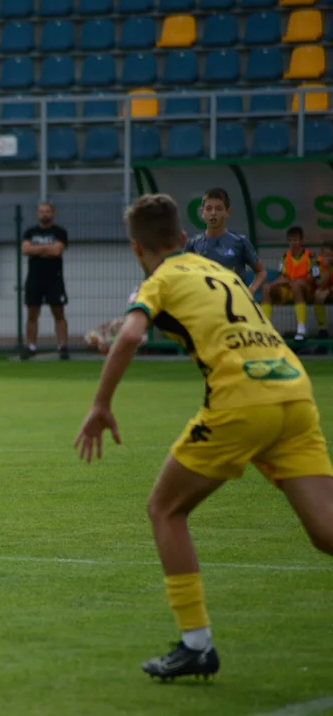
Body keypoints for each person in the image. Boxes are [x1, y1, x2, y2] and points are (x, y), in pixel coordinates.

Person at [74, 193, 333, 681]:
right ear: (181, 235)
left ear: (136, 247)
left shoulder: (160, 278)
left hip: (242, 399)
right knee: (326, 531)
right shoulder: (224, 271)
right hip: (294, 391)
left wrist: (100, 405)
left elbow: (130, 336)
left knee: (165, 509)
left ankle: (196, 644)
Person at [184, 187, 267, 295]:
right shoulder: (193, 244)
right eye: (209, 208)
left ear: (227, 212)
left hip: (233, 304)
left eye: (218, 209)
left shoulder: (240, 241)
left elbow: (261, 272)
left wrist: (250, 290)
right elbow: (183, 273)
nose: (213, 213)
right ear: (202, 212)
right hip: (204, 304)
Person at [20, 202, 69, 360]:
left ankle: (62, 346)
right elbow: (25, 249)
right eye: (41, 211)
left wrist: (37, 250)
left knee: (58, 313)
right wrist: (47, 248)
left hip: (54, 279)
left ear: (53, 213)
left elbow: (57, 251)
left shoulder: (59, 232)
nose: (44, 214)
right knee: (32, 314)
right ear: (37, 214)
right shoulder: (30, 232)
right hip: (34, 279)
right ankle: (30, 346)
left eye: (47, 211)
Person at [260, 226, 325, 341]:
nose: (293, 243)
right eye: (290, 240)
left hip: (306, 289)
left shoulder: (312, 256)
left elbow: (313, 277)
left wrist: (292, 281)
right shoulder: (285, 256)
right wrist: (275, 284)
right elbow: (282, 276)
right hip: (289, 287)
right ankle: (266, 330)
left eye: (295, 240)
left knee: (297, 285)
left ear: (302, 241)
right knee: (266, 288)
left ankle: (301, 329)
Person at [314, 242, 333, 340]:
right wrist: (328, 269)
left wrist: (329, 291)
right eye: (325, 255)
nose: (327, 258)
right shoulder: (316, 264)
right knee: (317, 294)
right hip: (323, 290)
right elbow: (319, 283)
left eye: (330, 255)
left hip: (330, 290)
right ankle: (322, 329)